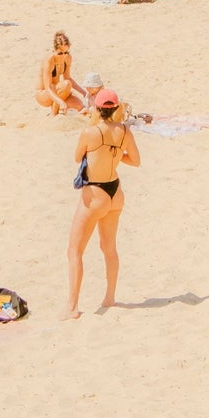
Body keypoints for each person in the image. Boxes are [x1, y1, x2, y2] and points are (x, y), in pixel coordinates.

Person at [66, 89, 140, 318]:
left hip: (95, 193)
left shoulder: (90, 132)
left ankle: (72, 307)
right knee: (109, 248)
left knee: (75, 250)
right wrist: (114, 156)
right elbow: (135, 161)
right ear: (116, 108)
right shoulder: (125, 131)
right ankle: (110, 298)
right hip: (115, 192)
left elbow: (77, 157)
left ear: (97, 108)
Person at [35, 31, 88, 116]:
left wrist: (84, 93)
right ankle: (54, 114)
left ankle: (56, 109)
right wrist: (60, 102)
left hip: (58, 91)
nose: (63, 55)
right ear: (54, 50)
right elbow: (48, 87)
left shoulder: (67, 58)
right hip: (44, 94)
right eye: (60, 53)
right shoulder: (49, 60)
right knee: (66, 84)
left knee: (81, 107)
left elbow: (68, 78)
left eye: (66, 52)